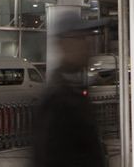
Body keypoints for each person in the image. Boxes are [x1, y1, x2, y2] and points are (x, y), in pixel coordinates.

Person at [30, 28, 105, 167]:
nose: (87, 45)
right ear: (63, 44)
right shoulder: (56, 101)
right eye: (80, 39)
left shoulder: (75, 90)